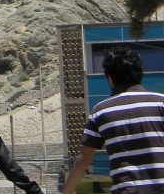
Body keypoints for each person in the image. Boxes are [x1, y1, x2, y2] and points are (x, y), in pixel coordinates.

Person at [61, 47, 164, 194]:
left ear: (109, 77)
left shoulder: (101, 111)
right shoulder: (160, 102)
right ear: (140, 73)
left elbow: (83, 159)